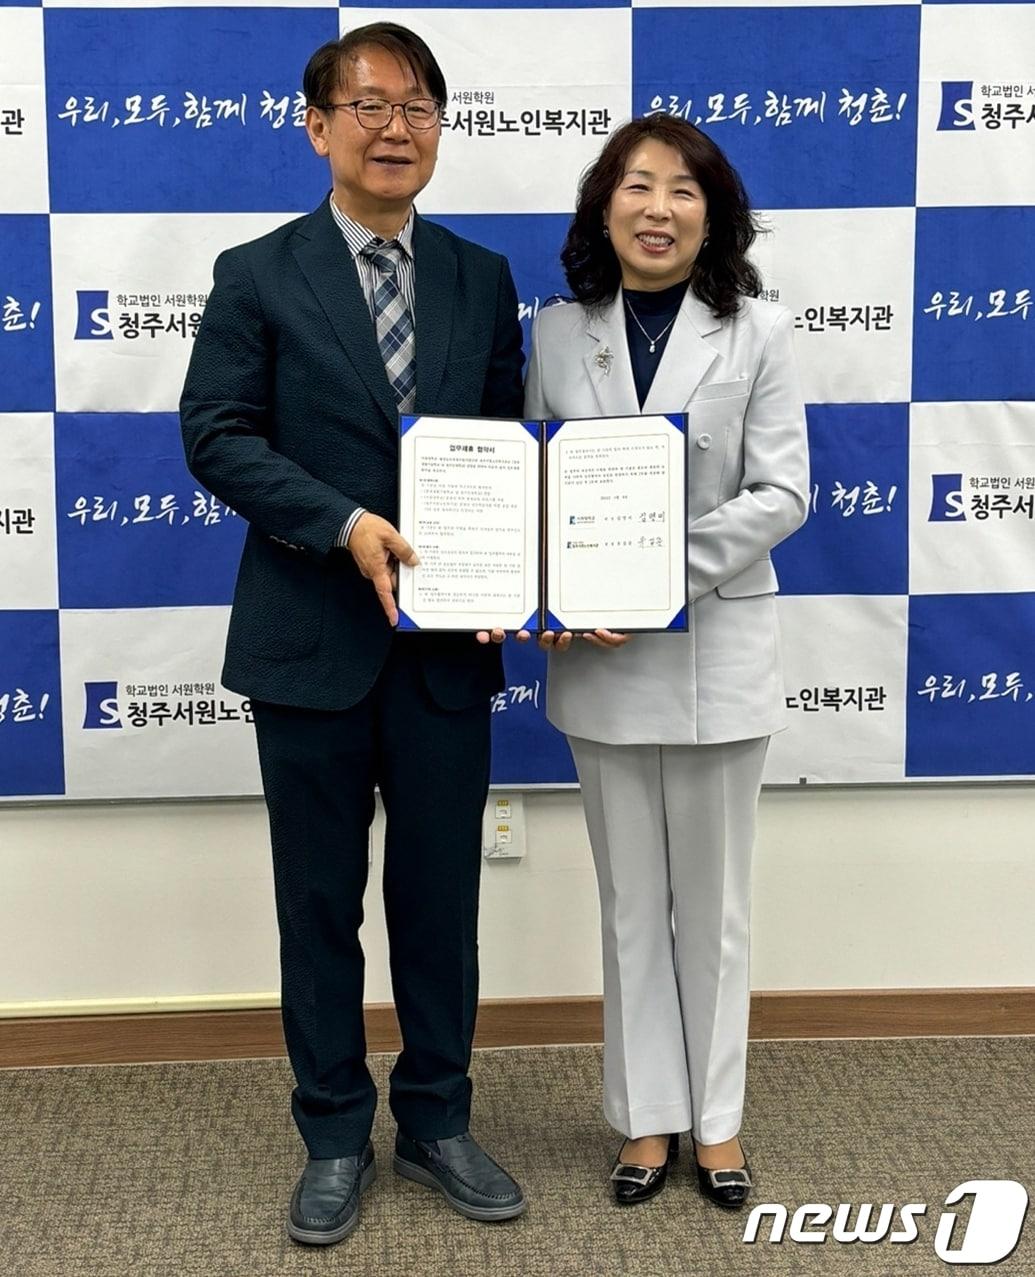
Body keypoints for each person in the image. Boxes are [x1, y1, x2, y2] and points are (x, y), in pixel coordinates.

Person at [180, 23, 526, 1245]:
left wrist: (518, 560)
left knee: (440, 903)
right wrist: (342, 523)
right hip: (309, 643)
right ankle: (333, 1129)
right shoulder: (257, 271)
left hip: (440, 652)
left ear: (441, 127)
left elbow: (501, 452)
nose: (397, 127)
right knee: (319, 904)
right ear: (317, 125)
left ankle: (437, 1117)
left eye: (420, 106)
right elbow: (217, 434)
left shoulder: (484, 278)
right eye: (369, 105)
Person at [523, 115, 809, 1208]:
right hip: (598, 659)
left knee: (718, 904)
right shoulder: (557, 331)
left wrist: (649, 573)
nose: (658, 208)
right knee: (631, 902)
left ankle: (720, 1124)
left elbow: (783, 492)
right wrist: (542, 585)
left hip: (717, 645)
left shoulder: (761, 331)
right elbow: (538, 486)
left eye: (683, 190)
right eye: (637, 187)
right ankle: (647, 1118)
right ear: (605, 206)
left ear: (714, 214)